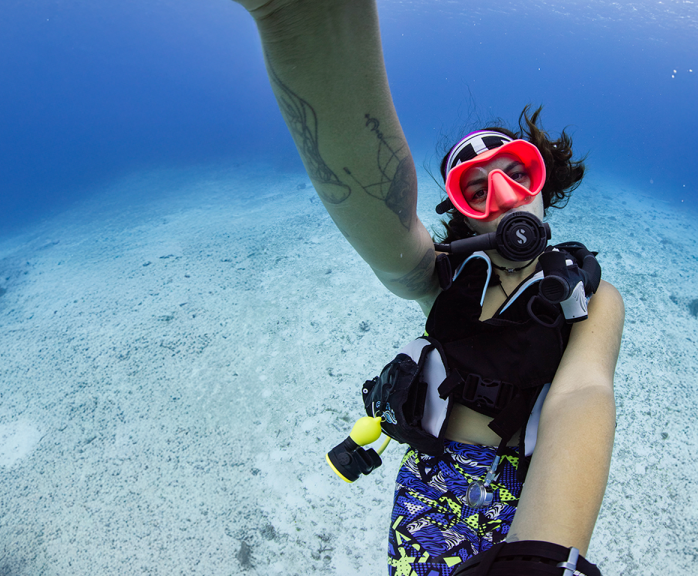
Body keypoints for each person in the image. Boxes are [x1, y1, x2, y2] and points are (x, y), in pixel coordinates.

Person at [233, 1, 624, 574]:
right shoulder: (442, 277)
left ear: (544, 182)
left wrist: (540, 556)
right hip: (426, 492)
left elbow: (583, 395)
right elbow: (376, 213)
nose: (505, 195)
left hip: (522, 496)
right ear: (463, 217)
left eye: (517, 172)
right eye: (476, 189)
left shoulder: (592, 297)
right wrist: (297, 15)